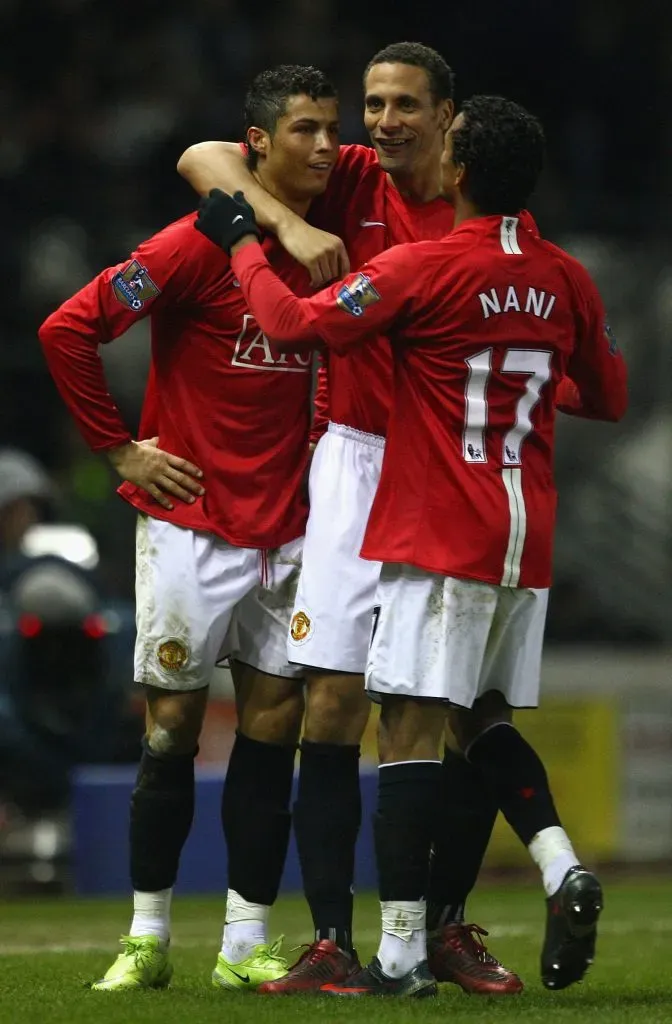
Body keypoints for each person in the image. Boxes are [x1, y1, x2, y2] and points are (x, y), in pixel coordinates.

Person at [193, 93, 628, 997]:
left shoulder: (424, 266)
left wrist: (242, 242)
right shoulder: (566, 275)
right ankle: (554, 867)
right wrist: (501, 383)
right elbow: (606, 393)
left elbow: (290, 324)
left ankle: (399, 953)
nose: (386, 123)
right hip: (528, 534)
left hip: (439, 515)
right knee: (484, 719)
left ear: (458, 162)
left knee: (408, 722)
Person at [38, 64, 342, 992]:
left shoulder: (339, 244)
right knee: (170, 729)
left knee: (271, 731)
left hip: (291, 527)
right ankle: (147, 936)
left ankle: (243, 945)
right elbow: (67, 329)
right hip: (192, 524)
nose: (326, 146)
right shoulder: (189, 247)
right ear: (259, 145)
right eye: (305, 130)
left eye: (332, 129)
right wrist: (120, 450)